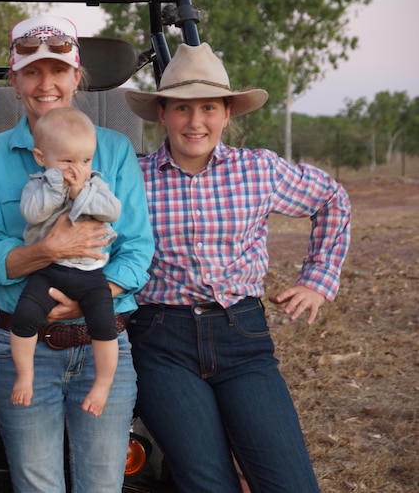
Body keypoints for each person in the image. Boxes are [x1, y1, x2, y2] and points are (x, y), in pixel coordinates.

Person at [124, 42, 352, 493]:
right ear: (163, 114)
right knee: (208, 483)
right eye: (182, 108)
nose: (195, 121)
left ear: (227, 113)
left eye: (208, 107)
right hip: (160, 340)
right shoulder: (132, 176)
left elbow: (331, 199)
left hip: (242, 336)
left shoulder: (258, 170)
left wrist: (317, 282)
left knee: (291, 483)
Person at [0, 14, 154, 492]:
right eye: (31, 72)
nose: (45, 83)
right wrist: (51, 248)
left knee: (101, 484)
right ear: (14, 80)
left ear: (76, 77)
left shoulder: (113, 151)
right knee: (36, 485)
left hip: (102, 338)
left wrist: (92, 296)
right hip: (24, 344)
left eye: (57, 71)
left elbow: (136, 248)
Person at [12, 106, 121, 417]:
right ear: (41, 158)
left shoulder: (95, 185)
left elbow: (111, 211)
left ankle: (102, 383)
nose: (79, 169)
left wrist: (79, 191)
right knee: (25, 315)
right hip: (49, 270)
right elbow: (33, 214)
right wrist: (59, 187)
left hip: (90, 273)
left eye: (85, 160)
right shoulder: (37, 185)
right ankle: (25, 374)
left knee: (104, 325)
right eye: (67, 162)